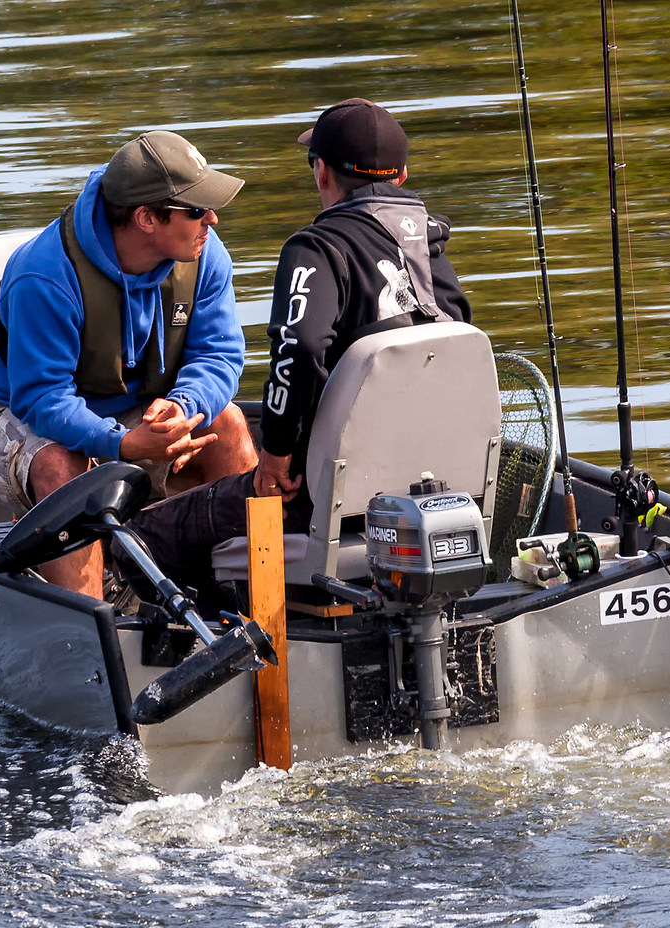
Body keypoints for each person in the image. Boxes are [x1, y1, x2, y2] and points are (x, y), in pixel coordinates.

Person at [127, 98, 472, 592]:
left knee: (138, 536)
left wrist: (275, 456)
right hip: (433, 493)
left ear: (322, 173)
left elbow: (300, 351)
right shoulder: (431, 248)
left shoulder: (315, 249)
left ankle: (216, 643)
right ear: (401, 177)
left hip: (316, 501)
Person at [0, 130, 258, 597]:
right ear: (146, 218)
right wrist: (124, 444)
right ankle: (90, 636)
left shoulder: (203, 254)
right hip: (8, 411)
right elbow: (41, 399)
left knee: (229, 424)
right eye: (196, 210)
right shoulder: (45, 277)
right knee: (62, 465)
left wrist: (181, 406)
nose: (212, 221)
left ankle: (251, 607)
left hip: (133, 407)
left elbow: (219, 353)